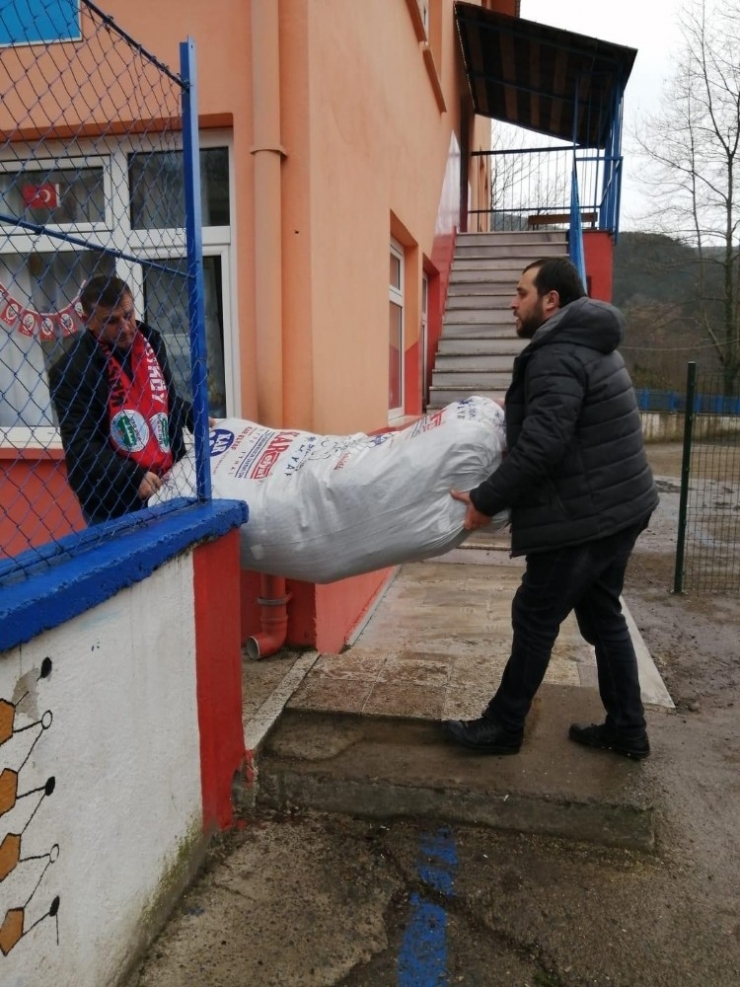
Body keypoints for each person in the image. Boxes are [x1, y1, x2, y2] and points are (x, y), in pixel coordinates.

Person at [444, 257, 659, 760]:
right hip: (623, 505)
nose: (511, 303)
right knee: (603, 616)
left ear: (550, 300)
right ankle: (628, 730)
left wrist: (484, 500)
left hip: (585, 517)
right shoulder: (588, 342)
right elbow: (561, 416)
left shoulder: (555, 354)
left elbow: (543, 447)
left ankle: (503, 725)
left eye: (520, 293)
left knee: (535, 615)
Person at [49, 274, 193, 525]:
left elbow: (160, 401)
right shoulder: (72, 371)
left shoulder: (151, 341)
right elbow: (81, 445)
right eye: (112, 321)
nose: (126, 327)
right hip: (114, 501)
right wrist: (131, 477)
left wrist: (194, 414)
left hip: (168, 483)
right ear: (88, 321)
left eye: (128, 315)